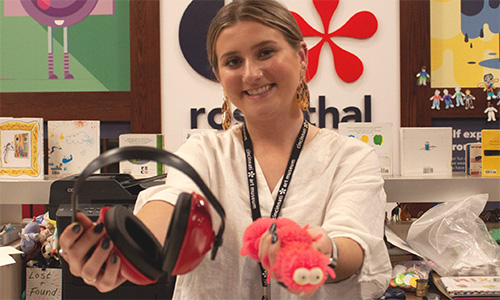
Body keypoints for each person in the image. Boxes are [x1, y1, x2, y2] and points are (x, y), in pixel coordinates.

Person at [58, 0, 392, 299]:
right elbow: (172, 203)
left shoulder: (350, 158)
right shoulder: (204, 151)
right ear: (219, 75)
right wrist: (128, 247)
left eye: (265, 52)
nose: (251, 73)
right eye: (233, 61)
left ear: (302, 56)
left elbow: (354, 243)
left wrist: (324, 250)